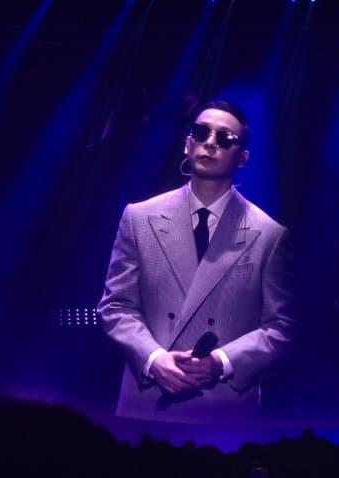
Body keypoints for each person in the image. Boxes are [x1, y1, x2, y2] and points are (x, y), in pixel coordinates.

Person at [98, 100, 295, 422]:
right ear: (188, 144)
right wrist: (153, 358)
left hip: (224, 410)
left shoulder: (269, 234)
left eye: (225, 138)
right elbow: (116, 306)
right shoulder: (139, 217)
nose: (210, 143)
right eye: (201, 133)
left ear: (243, 158)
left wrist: (222, 361)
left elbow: (280, 326)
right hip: (147, 402)